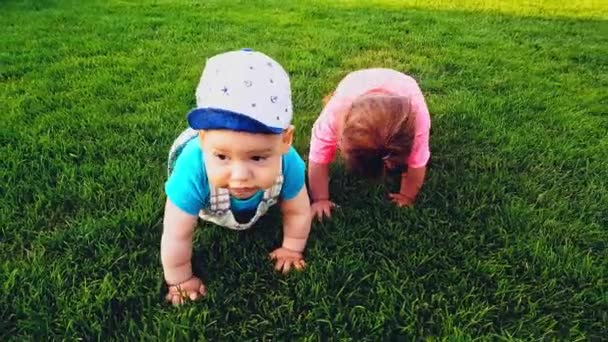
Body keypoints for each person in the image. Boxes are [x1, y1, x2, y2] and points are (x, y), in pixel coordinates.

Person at [161, 49, 311, 305]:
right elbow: (177, 234)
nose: (240, 176)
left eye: (258, 157)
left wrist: (292, 248)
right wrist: (180, 280)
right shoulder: (192, 170)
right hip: (199, 179)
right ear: (204, 140)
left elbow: (298, 211)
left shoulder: (290, 164)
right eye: (222, 157)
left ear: (285, 141)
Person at [308, 68, 431, 221]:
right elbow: (317, 159)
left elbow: (417, 163)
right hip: (357, 82)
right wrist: (320, 199)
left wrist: (407, 195)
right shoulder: (333, 115)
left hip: (404, 87)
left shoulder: (418, 120)